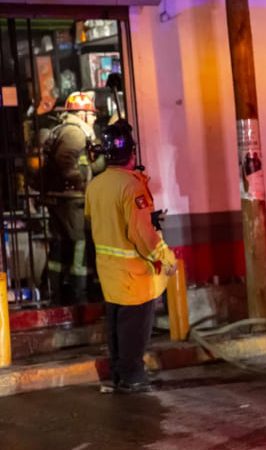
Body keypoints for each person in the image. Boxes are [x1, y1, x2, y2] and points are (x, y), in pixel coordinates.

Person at [85, 120, 176, 393]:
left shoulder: (95, 185)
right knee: (135, 328)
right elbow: (141, 235)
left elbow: (96, 224)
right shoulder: (132, 187)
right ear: (132, 154)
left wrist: (148, 219)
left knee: (115, 323)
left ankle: (119, 374)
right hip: (133, 273)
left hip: (109, 271)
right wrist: (166, 258)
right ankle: (133, 376)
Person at [44, 91, 106, 305]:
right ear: (82, 114)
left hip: (64, 199)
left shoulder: (68, 130)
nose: (95, 118)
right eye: (92, 113)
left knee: (60, 246)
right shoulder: (74, 133)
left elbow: (85, 163)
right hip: (71, 200)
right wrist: (80, 181)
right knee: (80, 244)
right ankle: (79, 295)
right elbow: (67, 162)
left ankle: (56, 292)